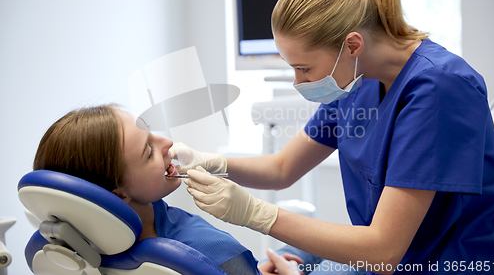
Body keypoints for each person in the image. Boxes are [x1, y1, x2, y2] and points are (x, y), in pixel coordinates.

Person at [173, 0, 494, 275]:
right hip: (387, 255)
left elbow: (384, 249)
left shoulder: (440, 88)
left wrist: (254, 214)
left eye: (303, 68)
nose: (298, 82)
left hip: (442, 261)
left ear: (352, 44)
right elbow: (283, 168)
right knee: (295, 255)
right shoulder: (357, 80)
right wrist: (211, 161)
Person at [33, 104, 302, 275]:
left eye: (150, 132)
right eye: (148, 151)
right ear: (119, 195)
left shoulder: (80, 251)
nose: (167, 142)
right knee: (334, 261)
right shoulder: (204, 248)